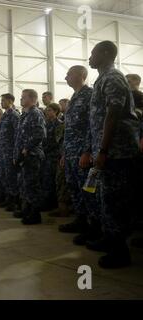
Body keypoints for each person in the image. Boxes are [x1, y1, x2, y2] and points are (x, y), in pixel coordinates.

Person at [88, 40, 140, 268]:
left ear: (106, 53)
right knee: (105, 198)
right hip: (109, 149)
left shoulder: (112, 77)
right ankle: (110, 239)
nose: (90, 57)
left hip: (116, 150)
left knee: (115, 201)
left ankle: (120, 252)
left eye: (93, 53)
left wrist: (103, 150)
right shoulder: (103, 78)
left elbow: (113, 114)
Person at [58, 66, 100, 243]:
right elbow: (69, 130)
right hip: (70, 153)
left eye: (70, 74)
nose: (66, 77)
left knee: (88, 191)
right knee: (75, 189)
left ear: (82, 76)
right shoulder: (74, 98)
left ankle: (95, 227)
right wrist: (64, 154)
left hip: (82, 154)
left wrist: (87, 150)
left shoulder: (90, 95)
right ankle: (81, 221)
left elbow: (93, 125)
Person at [13, 89, 46, 225]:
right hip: (23, 156)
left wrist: (27, 148)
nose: (21, 99)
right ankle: (27, 209)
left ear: (32, 98)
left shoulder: (35, 113)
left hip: (31, 155)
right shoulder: (25, 115)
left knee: (32, 185)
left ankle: (35, 214)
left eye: (23, 97)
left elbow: (40, 134)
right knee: (25, 185)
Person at [0, 94, 20, 211]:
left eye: (3, 100)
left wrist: (15, 153)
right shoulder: (5, 115)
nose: (1, 102)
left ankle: (15, 201)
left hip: (10, 151)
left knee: (11, 177)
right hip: (3, 151)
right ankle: (9, 198)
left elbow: (17, 135)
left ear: (10, 101)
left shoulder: (14, 115)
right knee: (5, 176)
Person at [41, 103, 63, 211]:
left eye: (49, 110)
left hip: (53, 156)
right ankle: (47, 201)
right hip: (45, 155)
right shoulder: (46, 124)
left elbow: (56, 142)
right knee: (45, 179)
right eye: (46, 110)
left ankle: (51, 203)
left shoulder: (59, 124)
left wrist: (44, 149)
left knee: (50, 179)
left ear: (55, 111)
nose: (46, 111)